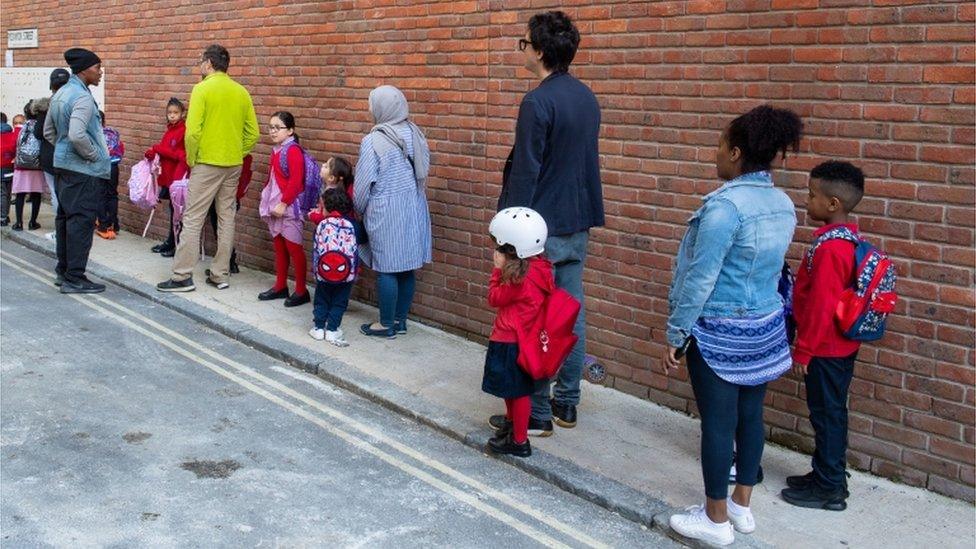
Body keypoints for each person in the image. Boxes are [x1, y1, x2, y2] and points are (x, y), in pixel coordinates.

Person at [662, 105, 802, 546]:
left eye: (721, 146)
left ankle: (715, 519)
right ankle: (741, 507)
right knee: (750, 418)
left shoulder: (723, 207)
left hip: (719, 332)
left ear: (737, 152)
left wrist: (677, 331)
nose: (716, 153)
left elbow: (700, 278)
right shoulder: (782, 203)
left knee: (718, 425)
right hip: (764, 328)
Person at [492, 11, 603, 437]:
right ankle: (567, 403)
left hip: (540, 229)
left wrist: (509, 240)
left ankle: (537, 413)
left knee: (533, 318)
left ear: (539, 50)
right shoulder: (586, 96)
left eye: (525, 44)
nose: (523, 50)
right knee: (570, 311)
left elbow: (526, 171)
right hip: (577, 221)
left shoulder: (537, 101)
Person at [780, 161, 866, 512]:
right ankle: (823, 473)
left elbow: (820, 306)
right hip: (837, 346)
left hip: (827, 348)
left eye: (812, 195)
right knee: (828, 411)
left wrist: (804, 351)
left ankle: (830, 489)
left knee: (827, 414)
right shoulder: (845, 240)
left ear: (833, 204)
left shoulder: (831, 249)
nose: (807, 201)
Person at [156, 44, 258, 292]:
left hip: (206, 162)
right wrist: (237, 152)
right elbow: (253, 133)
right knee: (226, 217)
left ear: (209, 64)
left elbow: (193, 133)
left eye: (201, 61)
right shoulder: (241, 91)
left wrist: (193, 159)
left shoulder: (201, 89)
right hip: (232, 163)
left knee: (192, 217)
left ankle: (182, 276)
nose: (200, 65)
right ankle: (220, 273)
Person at [354, 85, 432, 339]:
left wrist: (360, 210)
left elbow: (364, 183)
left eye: (371, 104)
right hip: (414, 207)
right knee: (407, 267)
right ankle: (399, 321)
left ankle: (385, 324)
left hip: (386, 211)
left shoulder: (373, 140)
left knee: (386, 267)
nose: (368, 109)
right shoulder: (415, 133)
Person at [482, 207, 552, 458]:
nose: (496, 252)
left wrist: (496, 271)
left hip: (510, 340)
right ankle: (513, 428)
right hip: (523, 340)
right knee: (513, 389)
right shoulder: (539, 269)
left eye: (500, 248)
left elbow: (493, 298)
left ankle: (519, 441)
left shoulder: (517, 280)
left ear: (513, 251)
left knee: (517, 393)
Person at [43, 47, 110, 294]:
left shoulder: (61, 93)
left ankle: (63, 271)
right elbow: (76, 134)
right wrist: (93, 156)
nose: (100, 72)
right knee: (81, 222)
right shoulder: (82, 98)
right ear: (83, 71)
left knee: (65, 219)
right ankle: (75, 277)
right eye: (96, 67)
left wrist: (64, 151)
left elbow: (49, 132)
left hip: (62, 167)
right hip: (82, 171)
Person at [257, 111, 309, 307]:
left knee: (294, 248)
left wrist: (284, 203)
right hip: (276, 206)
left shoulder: (293, 150)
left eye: (278, 128)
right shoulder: (276, 150)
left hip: (289, 207)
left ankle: (302, 291)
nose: (273, 131)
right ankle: (280, 286)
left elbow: (296, 181)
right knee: (279, 247)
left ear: (290, 131)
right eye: (271, 127)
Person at [308, 187, 361, 347]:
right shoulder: (352, 225)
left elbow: (316, 248)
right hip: (345, 273)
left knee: (321, 298)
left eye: (321, 207)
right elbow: (358, 246)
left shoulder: (322, 225)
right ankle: (332, 329)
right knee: (340, 301)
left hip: (324, 271)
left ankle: (318, 327)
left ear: (328, 208)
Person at [146, 97, 189, 256]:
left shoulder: (184, 131)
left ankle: (176, 245)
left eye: (175, 112)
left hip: (178, 178)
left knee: (179, 213)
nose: (172, 115)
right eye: (169, 112)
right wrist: (152, 152)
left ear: (182, 113)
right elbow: (164, 150)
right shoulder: (170, 130)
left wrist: (159, 149)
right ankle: (170, 242)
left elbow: (181, 155)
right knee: (172, 212)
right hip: (168, 176)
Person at [35, 68, 71, 240]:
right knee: (69, 194)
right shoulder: (74, 101)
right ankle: (69, 230)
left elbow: (39, 132)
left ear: (52, 85)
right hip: (71, 157)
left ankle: (60, 232)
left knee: (57, 194)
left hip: (51, 157)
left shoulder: (47, 105)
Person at [11, 99, 48, 232]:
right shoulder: (40, 126)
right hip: (37, 165)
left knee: (20, 194)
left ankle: (19, 223)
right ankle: (33, 222)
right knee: (36, 193)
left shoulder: (23, 128)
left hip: (21, 165)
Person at [95, 110, 124, 239]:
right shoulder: (113, 132)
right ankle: (114, 224)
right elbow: (121, 149)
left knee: (100, 195)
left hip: (100, 167)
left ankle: (103, 226)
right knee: (112, 195)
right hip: (113, 166)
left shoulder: (93, 134)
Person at [0, 112, 14, 226]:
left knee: (2, 193)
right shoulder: (10, 132)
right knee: (7, 192)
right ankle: (6, 215)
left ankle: (2, 217)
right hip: (9, 166)